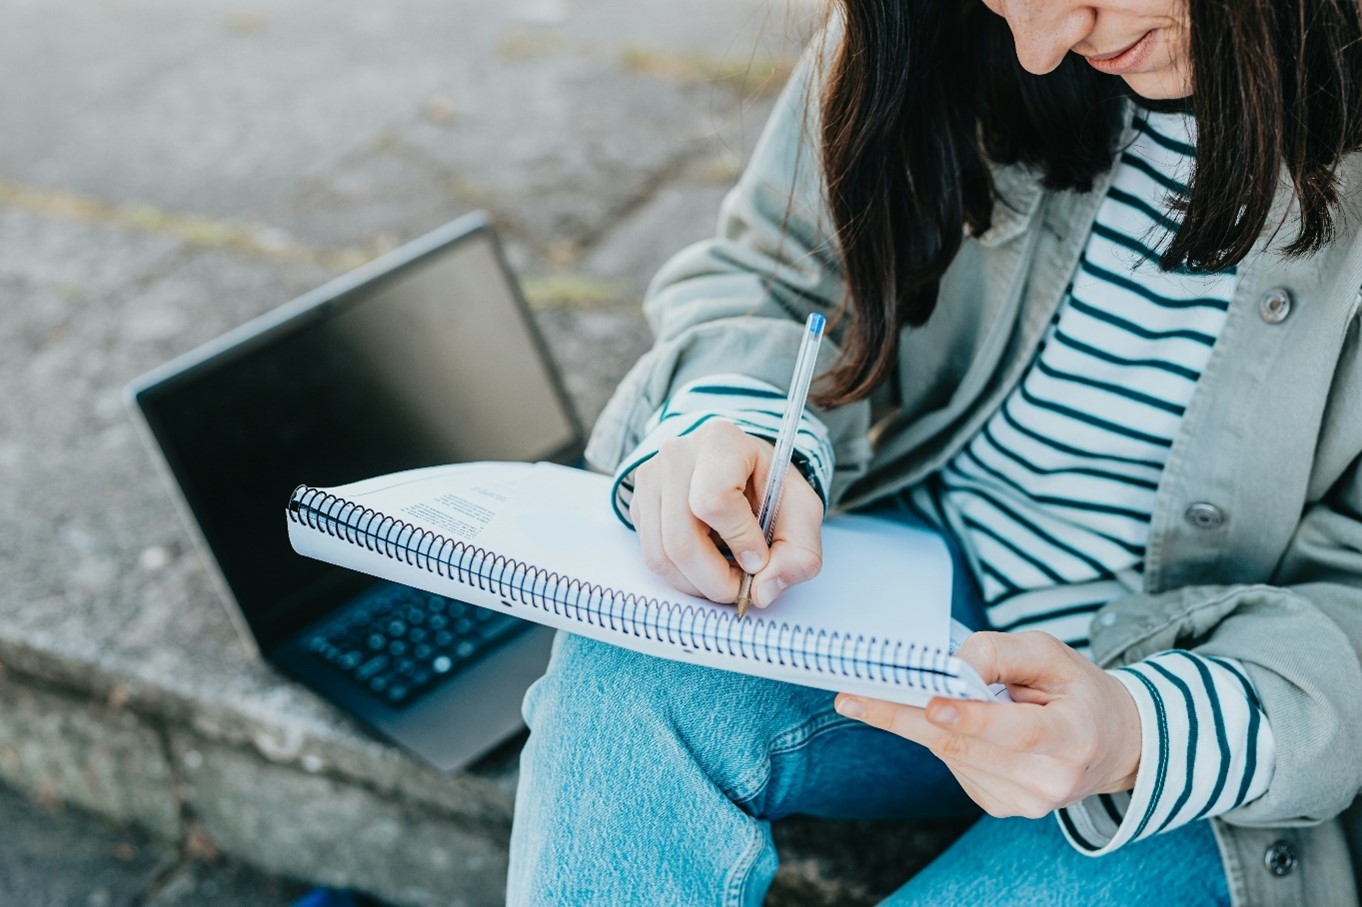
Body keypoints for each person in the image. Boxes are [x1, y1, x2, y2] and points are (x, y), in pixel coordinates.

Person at [507, 0, 1362, 904]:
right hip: (927, 602)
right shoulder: (947, 24)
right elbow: (784, 267)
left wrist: (1131, 730)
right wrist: (743, 419)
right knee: (631, 659)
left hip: (1202, 749)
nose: (1041, 49)